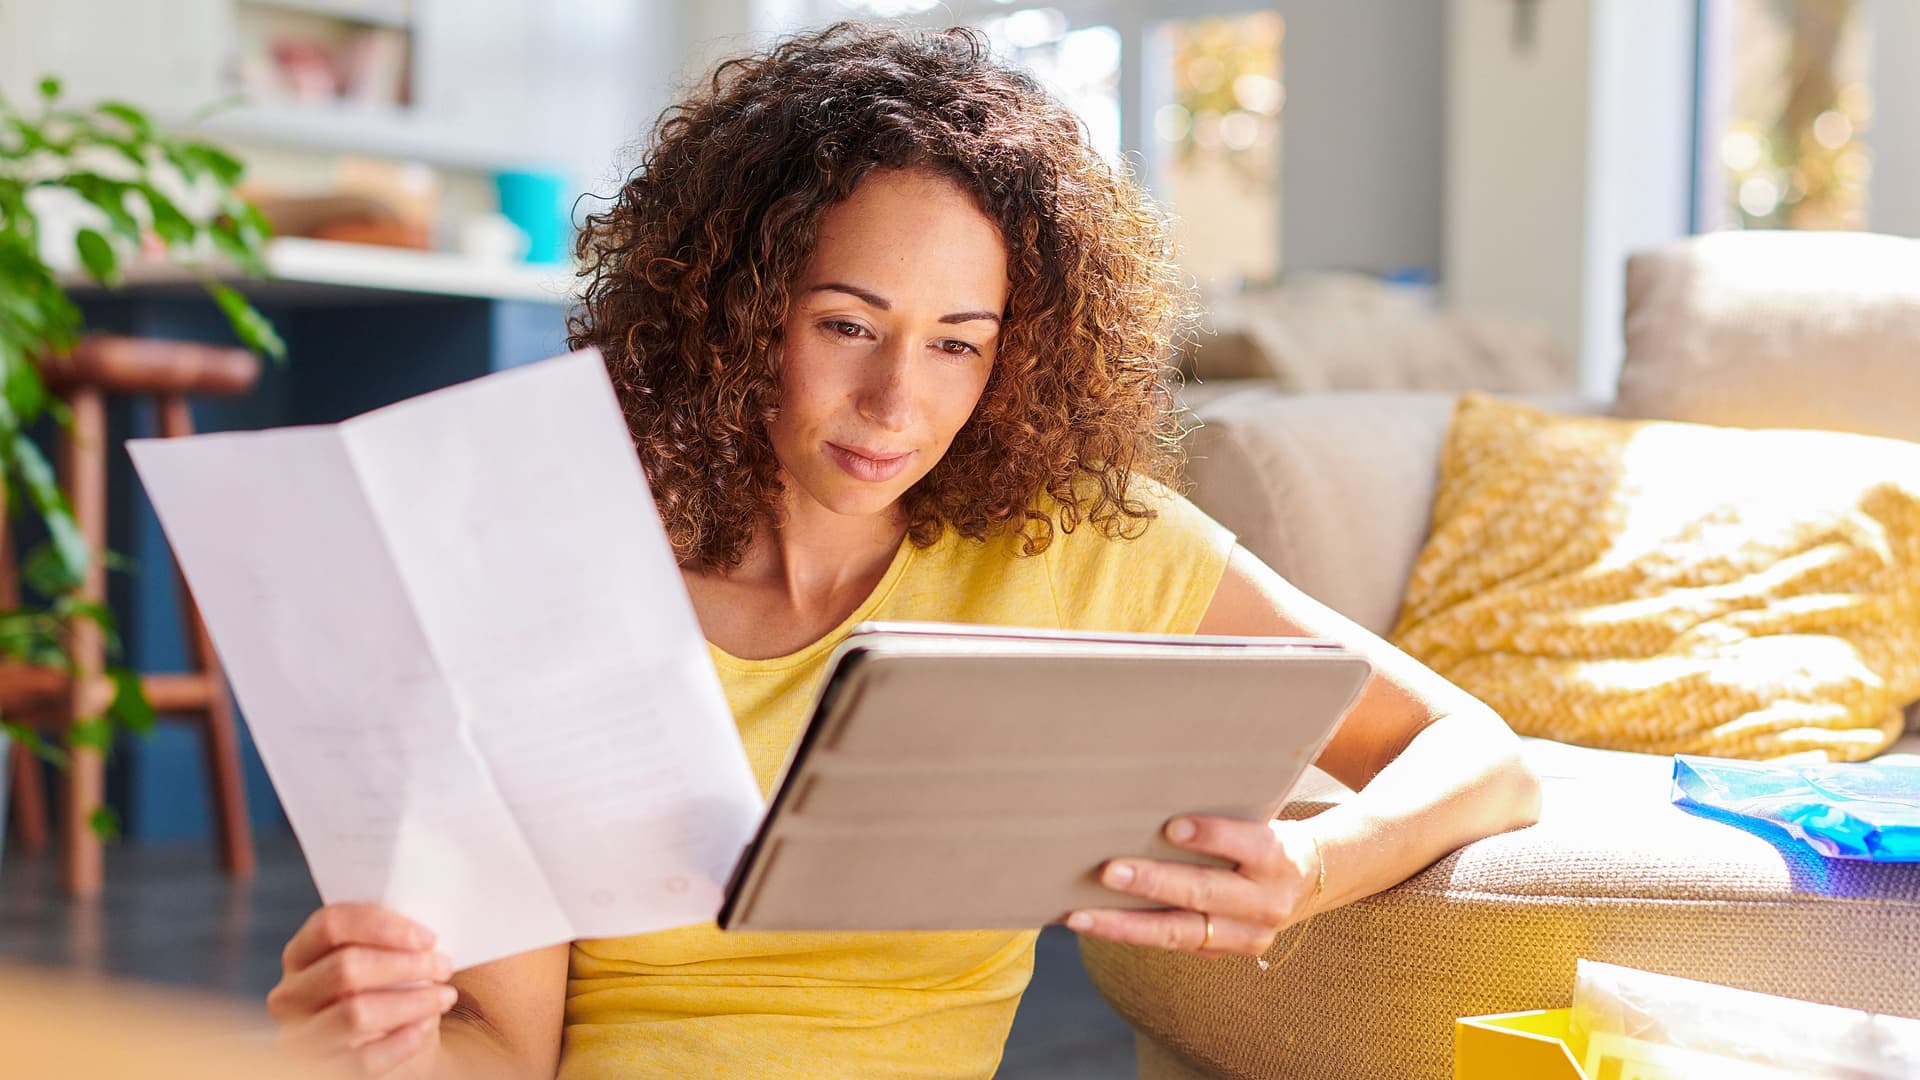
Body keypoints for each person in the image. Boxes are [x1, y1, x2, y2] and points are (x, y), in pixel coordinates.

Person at [265, 22, 1542, 1079]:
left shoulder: (1079, 543)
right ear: (736, 308)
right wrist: (386, 1042)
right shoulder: (560, 570)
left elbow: (1479, 757)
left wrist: (1315, 867)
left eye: (956, 342)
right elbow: (504, 1049)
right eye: (847, 325)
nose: (895, 404)